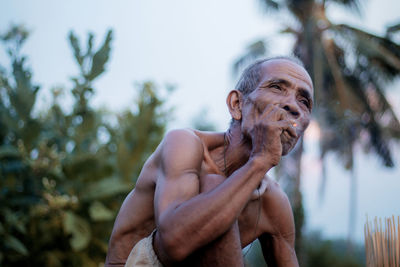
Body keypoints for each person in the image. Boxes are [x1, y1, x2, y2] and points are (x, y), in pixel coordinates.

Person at [105, 56, 314, 267]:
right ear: (236, 105)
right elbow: (174, 243)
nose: (293, 106)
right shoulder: (184, 144)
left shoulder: (273, 201)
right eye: (277, 87)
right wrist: (260, 161)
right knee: (213, 185)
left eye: (304, 102)